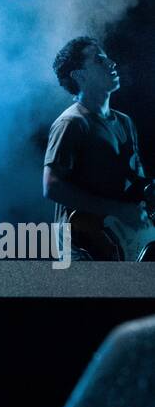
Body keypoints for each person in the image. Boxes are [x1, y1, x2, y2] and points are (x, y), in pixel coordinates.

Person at [43, 37, 149, 261]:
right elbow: (52, 187)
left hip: (115, 243)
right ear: (79, 75)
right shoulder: (71, 123)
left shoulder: (124, 122)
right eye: (99, 60)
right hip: (82, 249)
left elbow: (137, 181)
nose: (112, 63)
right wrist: (118, 210)